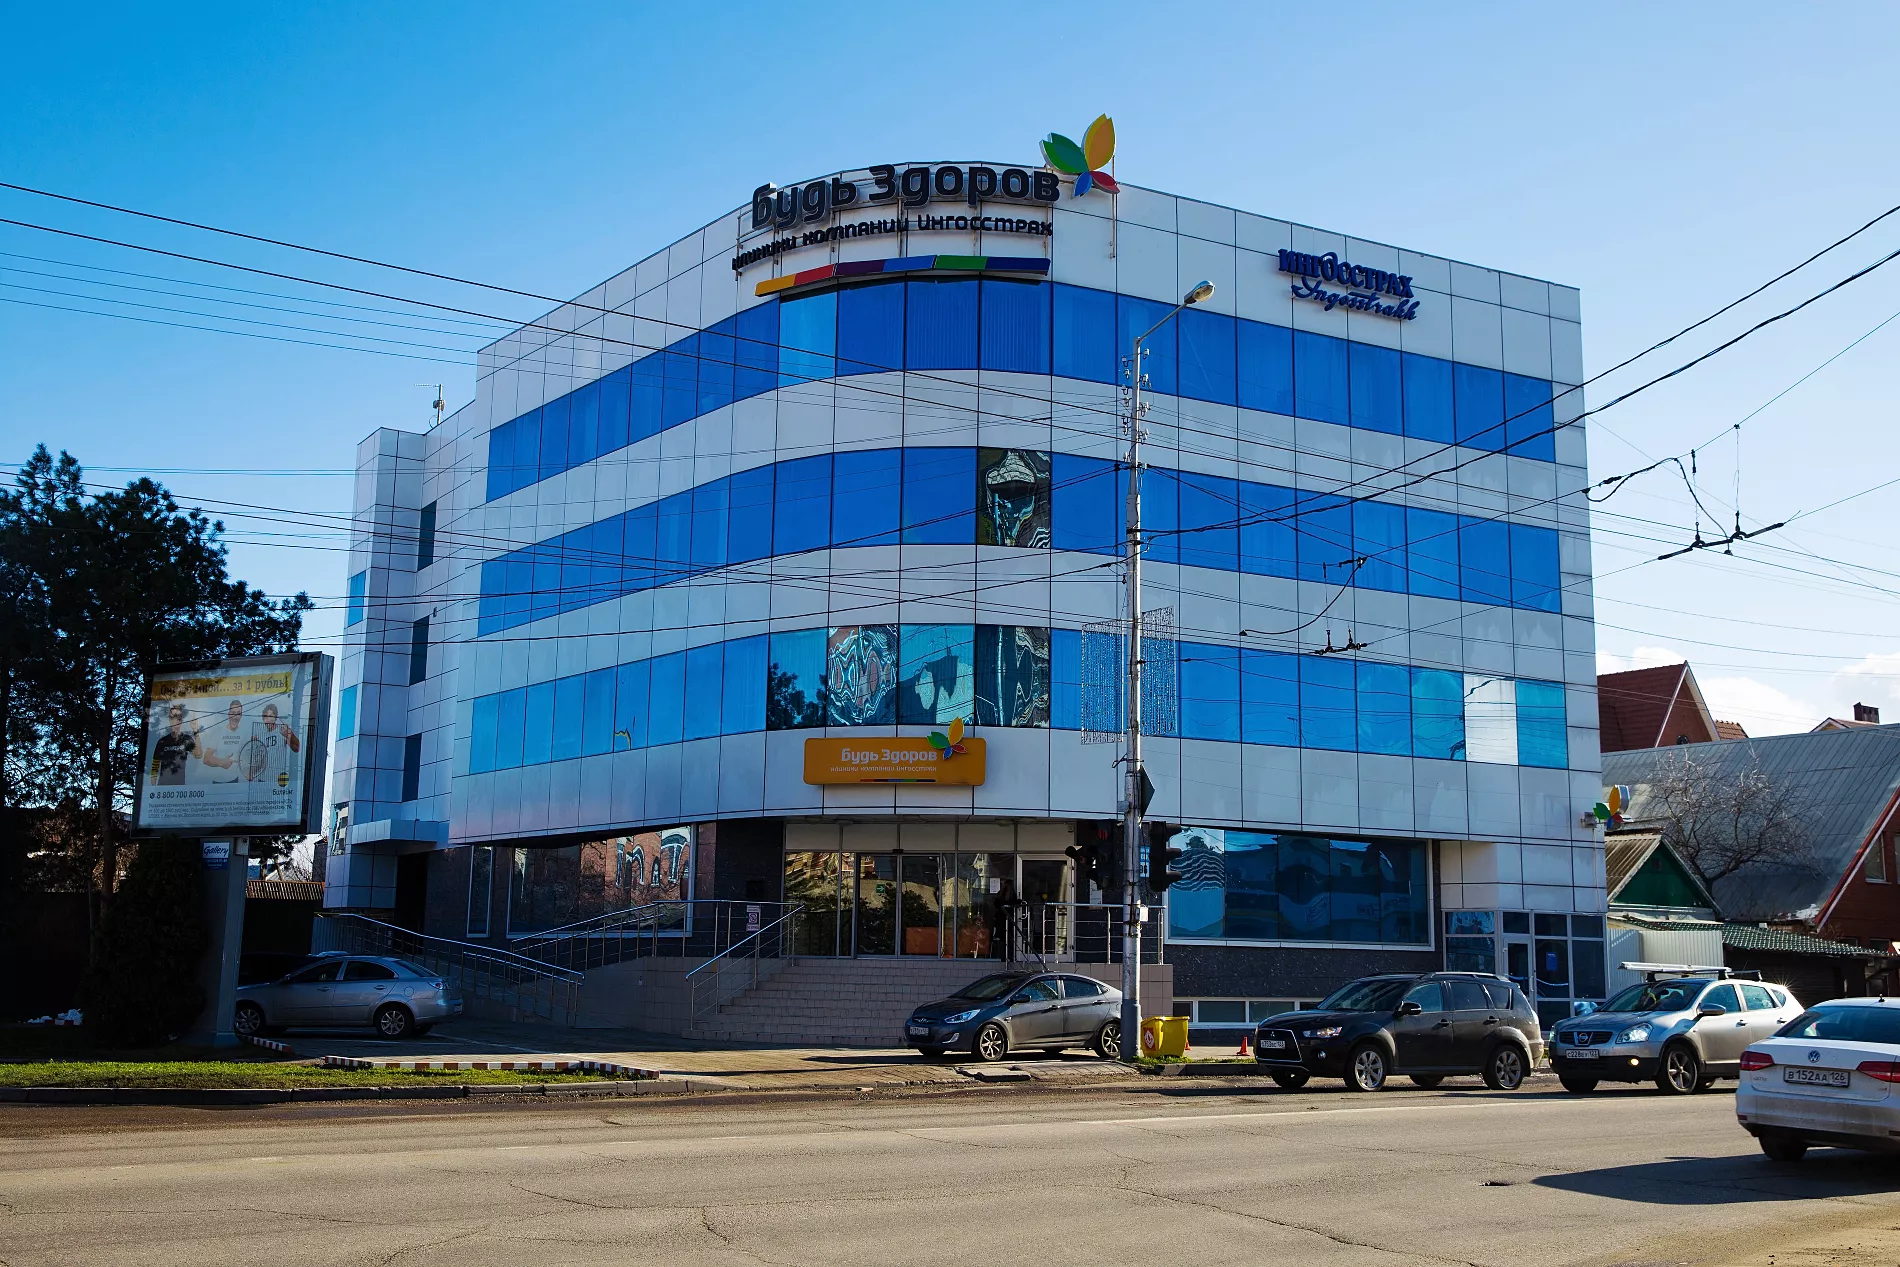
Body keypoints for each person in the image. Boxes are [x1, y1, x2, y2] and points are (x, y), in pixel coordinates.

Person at [199, 698, 248, 783]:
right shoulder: (218, 732)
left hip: (234, 781)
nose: (235, 717)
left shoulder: (243, 733)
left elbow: (245, 757)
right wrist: (221, 762)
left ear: (241, 715)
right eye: (233, 713)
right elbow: (206, 758)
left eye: (238, 713)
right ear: (228, 714)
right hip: (218, 783)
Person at [150, 703, 200, 785]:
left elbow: (198, 755)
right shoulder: (162, 741)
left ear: (181, 720)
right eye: (172, 717)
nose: (176, 720)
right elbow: (154, 768)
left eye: (178, 717)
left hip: (179, 788)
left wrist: (195, 731)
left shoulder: (186, 739)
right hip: (162, 788)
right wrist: (153, 789)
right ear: (169, 720)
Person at [252, 700, 301, 784]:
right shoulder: (260, 735)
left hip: (278, 779)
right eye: (265, 717)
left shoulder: (282, 730)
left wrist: (289, 735)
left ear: (275, 718)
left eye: (271, 716)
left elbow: (297, 748)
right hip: (262, 778)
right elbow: (259, 759)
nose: (268, 720)